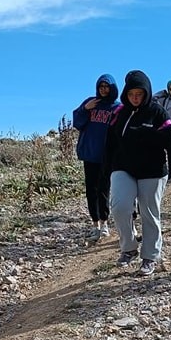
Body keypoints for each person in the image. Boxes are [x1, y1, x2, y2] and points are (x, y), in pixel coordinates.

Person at [105, 70, 171, 275]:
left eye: (139, 94)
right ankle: (128, 248)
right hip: (123, 167)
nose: (135, 98)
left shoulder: (157, 112)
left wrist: (147, 135)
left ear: (146, 93)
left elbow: (169, 138)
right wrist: (107, 167)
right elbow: (110, 141)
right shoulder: (119, 113)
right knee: (119, 207)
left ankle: (150, 257)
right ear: (125, 94)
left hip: (152, 170)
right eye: (131, 94)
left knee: (149, 213)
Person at [72, 74, 119, 238]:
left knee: (104, 189)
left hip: (106, 156)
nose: (104, 90)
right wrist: (85, 109)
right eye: (101, 87)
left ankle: (105, 222)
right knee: (91, 190)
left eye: (107, 87)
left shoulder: (116, 107)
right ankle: (95, 224)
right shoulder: (90, 103)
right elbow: (77, 123)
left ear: (112, 88)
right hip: (90, 154)